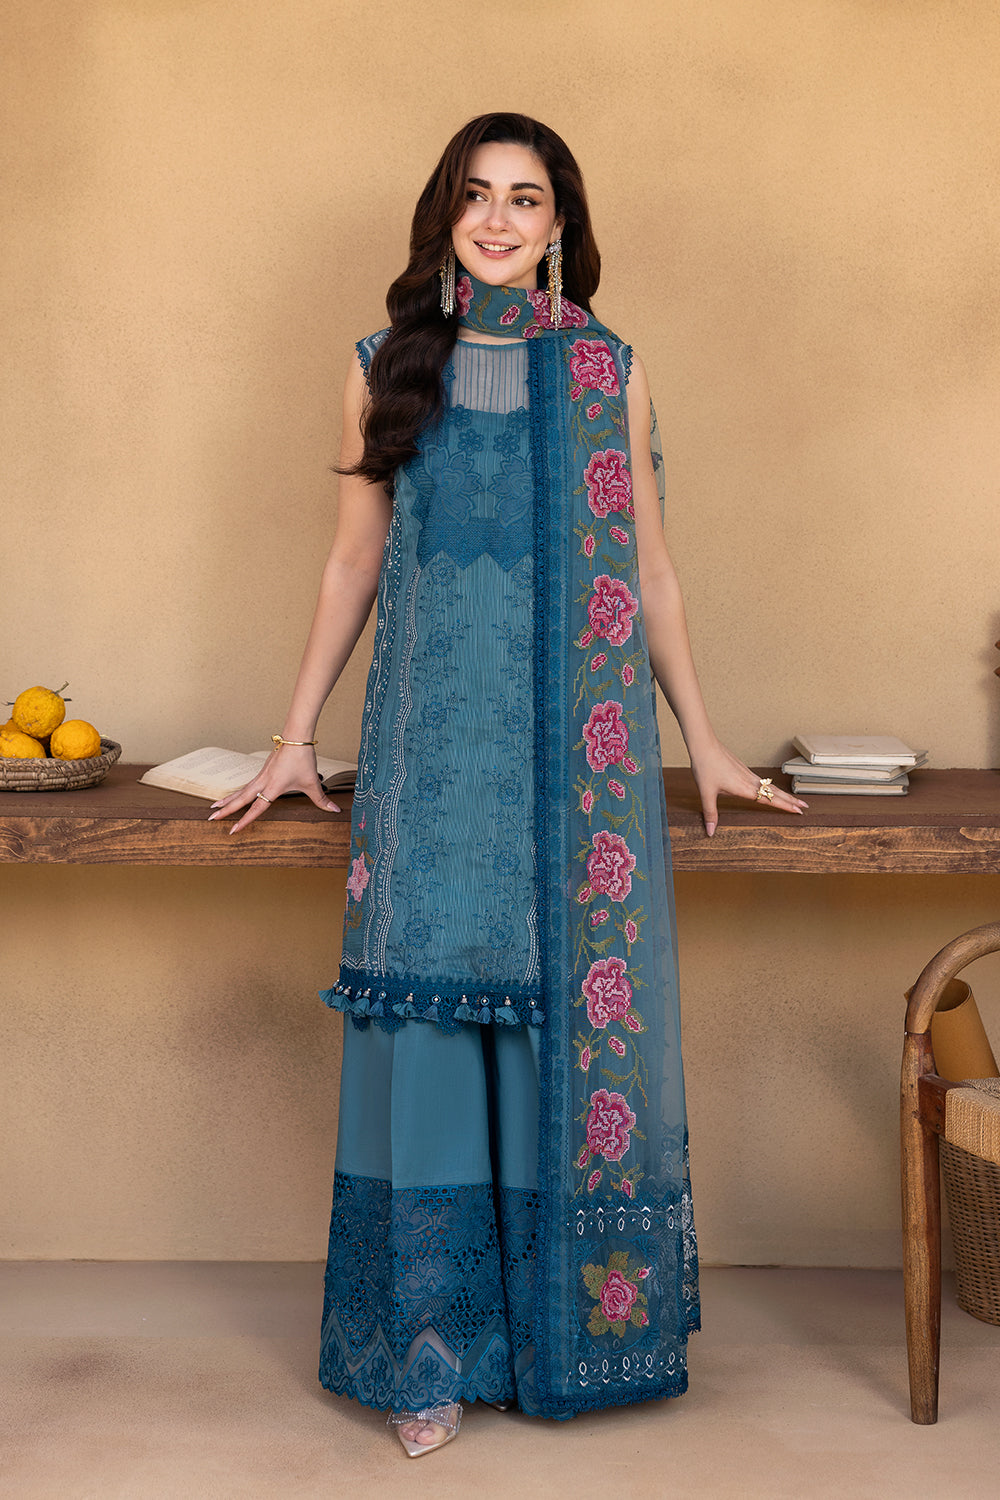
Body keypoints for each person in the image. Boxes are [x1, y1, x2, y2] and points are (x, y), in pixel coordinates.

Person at [209, 112, 807, 1457]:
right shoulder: (383, 367)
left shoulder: (608, 372)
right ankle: (425, 1357)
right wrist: (294, 736)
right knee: (422, 1032)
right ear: (445, 215)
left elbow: (649, 571)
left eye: (524, 199)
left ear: (557, 226)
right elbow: (352, 562)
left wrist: (703, 740)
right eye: (476, 195)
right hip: (428, 758)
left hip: (569, 770)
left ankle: (553, 1341)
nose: (497, 219)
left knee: (556, 1029)